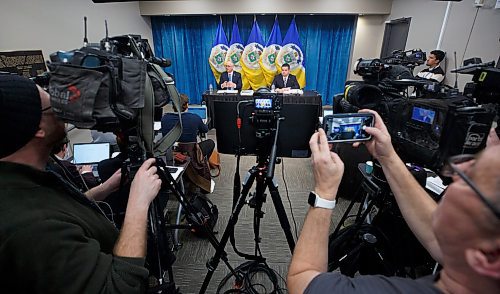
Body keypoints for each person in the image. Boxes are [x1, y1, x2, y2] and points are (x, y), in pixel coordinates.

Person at [287, 109, 500, 294]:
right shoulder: (472, 261)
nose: (458, 169)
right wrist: (387, 156)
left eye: (471, 177)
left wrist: (325, 192)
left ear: (490, 257)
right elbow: (437, 238)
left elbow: (303, 280)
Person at [0, 74, 162, 293]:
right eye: (54, 106)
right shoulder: (31, 229)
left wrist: (106, 188)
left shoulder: (33, 176)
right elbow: (119, 287)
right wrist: (138, 204)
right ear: (38, 129)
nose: (65, 113)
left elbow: (62, 213)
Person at [161, 93, 215, 159]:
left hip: (171, 154)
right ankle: (201, 163)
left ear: (173, 105)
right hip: (190, 154)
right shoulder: (195, 118)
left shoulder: (164, 118)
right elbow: (205, 130)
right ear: (187, 105)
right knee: (210, 143)